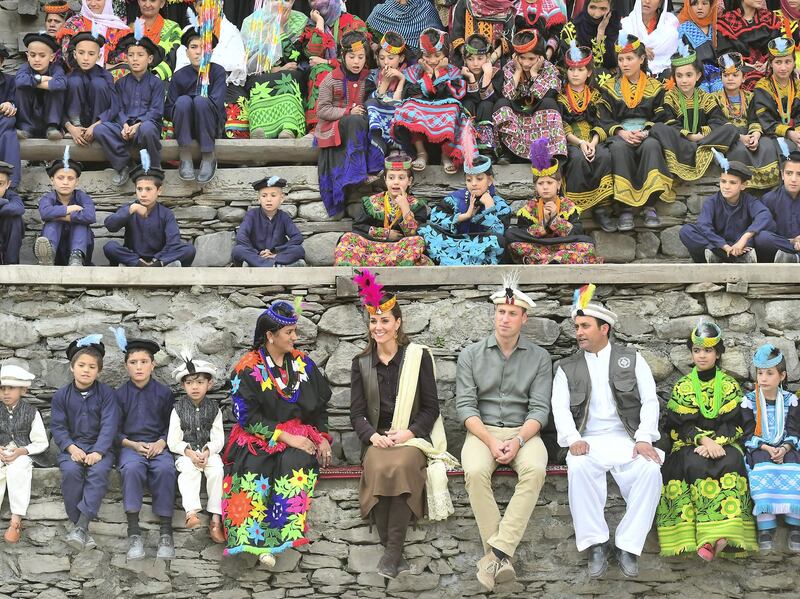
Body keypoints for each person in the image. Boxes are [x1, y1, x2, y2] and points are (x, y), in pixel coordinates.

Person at [551, 285, 663, 578]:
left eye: (585, 326)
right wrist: (573, 439)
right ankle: (596, 544)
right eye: (577, 326)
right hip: (587, 440)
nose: (579, 332)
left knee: (651, 471)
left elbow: (650, 400)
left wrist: (643, 438)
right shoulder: (567, 367)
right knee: (578, 466)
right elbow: (560, 408)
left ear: (605, 328)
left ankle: (627, 545)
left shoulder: (632, 358)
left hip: (627, 439)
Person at [350, 270, 455, 579]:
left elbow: (431, 408)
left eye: (385, 321)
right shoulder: (361, 364)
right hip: (379, 440)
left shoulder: (417, 357)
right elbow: (356, 415)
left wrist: (408, 433)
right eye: (373, 321)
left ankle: (391, 553)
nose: (378, 327)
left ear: (397, 323)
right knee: (380, 467)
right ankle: (394, 554)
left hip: (412, 439)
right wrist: (372, 437)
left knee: (404, 465)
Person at [456, 273, 551, 592]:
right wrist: (492, 441)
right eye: (501, 312)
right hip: (483, 433)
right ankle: (501, 559)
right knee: (474, 470)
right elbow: (466, 408)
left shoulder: (540, 357)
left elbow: (539, 409)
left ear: (524, 318)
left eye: (512, 313)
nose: (505, 318)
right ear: (494, 315)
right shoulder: (471, 355)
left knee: (536, 469)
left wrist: (519, 439)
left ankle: (493, 556)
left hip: (524, 433)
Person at [223, 301, 332, 568]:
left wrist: (322, 438)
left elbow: (319, 407)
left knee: (297, 463)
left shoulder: (303, 363)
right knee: (253, 464)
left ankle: (283, 536)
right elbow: (246, 418)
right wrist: (284, 436)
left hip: (300, 432)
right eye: (290, 333)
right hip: (259, 434)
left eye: (295, 331)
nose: (295, 338)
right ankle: (255, 541)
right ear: (270, 336)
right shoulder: (247, 368)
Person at [657, 321, 758, 560]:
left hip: (725, 443)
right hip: (691, 445)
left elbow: (738, 424)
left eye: (708, 350)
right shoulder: (682, 387)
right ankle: (706, 539)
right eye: (697, 350)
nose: (702, 355)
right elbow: (675, 427)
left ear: (718, 353)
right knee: (692, 464)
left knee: (733, 460)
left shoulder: (730, 385)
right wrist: (703, 442)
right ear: (692, 353)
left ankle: (725, 538)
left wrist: (718, 443)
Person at [597, 32, 673, 230]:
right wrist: (621, 132)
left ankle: (650, 206)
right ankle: (625, 208)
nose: (624, 63)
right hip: (620, 134)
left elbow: (661, 116)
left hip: (647, 132)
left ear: (641, 59)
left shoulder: (656, 87)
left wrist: (647, 131)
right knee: (619, 149)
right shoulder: (609, 87)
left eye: (629, 58)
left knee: (652, 146)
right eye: (621, 59)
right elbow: (604, 118)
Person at [50, 335, 119, 551]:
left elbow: (110, 425)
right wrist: (71, 447)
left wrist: (99, 451)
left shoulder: (107, 394)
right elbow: (58, 427)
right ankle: (80, 527)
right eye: (81, 365)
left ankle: (80, 526)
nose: (86, 370)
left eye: (92, 366)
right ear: (72, 368)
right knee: (71, 472)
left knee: (98, 474)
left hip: (101, 448)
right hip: (72, 448)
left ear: (98, 371)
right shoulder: (61, 396)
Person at [113, 330, 177, 561]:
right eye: (133, 362)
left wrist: (162, 441)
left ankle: (166, 532)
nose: (138, 367)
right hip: (131, 448)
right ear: (126, 366)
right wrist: (131, 444)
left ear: (153, 365)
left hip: (159, 446)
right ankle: (134, 533)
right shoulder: (118, 395)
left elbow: (173, 425)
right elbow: (113, 429)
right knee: (131, 470)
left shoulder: (164, 393)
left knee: (165, 470)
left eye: (144, 362)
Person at [316, 30, 384, 217]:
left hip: (360, 127)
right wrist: (347, 111)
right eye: (352, 56)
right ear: (342, 56)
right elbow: (322, 110)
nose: (356, 61)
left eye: (361, 57)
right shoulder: (331, 80)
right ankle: (355, 179)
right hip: (335, 128)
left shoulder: (369, 78)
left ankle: (367, 174)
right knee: (355, 120)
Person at [649, 43, 740, 182]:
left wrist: (701, 135)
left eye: (689, 75)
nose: (684, 80)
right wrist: (690, 136)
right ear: (674, 77)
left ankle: (700, 146)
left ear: (698, 76)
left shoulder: (705, 97)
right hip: (681, 142)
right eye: (679, 76)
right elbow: (669, 122)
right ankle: (703, 148)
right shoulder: (669, 96)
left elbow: (718, 121)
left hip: (701, 139)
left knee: (731, 129)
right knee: (658, 128)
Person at [740, 344, 800, 552]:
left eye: (769, 373)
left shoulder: (790, 400)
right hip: (760, 447)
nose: (763, 378)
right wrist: (766, 447)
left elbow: (794, 430)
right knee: (761, 465)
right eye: (760, 373)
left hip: (786, 446)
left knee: (794, 464)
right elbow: (747, 434)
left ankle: (795, 525)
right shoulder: (748, 402)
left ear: (782, 376)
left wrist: (784, 448)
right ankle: (766, 526)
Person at [506, 138, 601, 264]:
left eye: (550, 182)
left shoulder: (568, 206)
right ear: (535, 186)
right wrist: (544, 222)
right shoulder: (529, 208)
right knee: (510, 234)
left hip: (563, 245)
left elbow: (577, 232)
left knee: (587, 243)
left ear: (559, 184)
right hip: (537, 245)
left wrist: (555, 219)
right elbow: (522, 233)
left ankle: (541, 259)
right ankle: (558, 259)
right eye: (541, 183)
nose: (545, 187)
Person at [93, 23, 165, 185]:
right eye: (131, 55)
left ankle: (154, 167)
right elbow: (117, 109)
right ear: (126, 58)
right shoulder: (121, 83)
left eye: (140, 55)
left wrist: (138, 125)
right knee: (100, 129)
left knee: (148, 129)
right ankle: (124, 164)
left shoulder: (156, 83)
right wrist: (125, 124)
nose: (135, 59)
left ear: (150, 59)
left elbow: (156, 111)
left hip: (146, 127)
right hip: (124, 128)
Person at [393, 28, 473, 173]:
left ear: (445, 55)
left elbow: (455, 94)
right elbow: (411, 92)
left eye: (437, 55)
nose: (433, 60)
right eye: (427, 56)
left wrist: (439, 74)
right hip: (423, 112)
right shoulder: (414, 71)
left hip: (444, 109)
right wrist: (429, 74)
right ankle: (421, 153)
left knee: (452, 109)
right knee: (410, 107)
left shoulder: (454, 72)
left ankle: (445, 155)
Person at [167, 351, 225, 544]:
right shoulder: (178, 409)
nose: (194, 387)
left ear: (209, 384)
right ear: (183, 385)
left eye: (200, 382)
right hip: (186, 452)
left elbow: (218, 438)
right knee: (188, 470)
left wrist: (208, 451)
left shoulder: (214, 408)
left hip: (208, 452)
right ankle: (191, 512)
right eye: (190, 383)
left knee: (216, 470)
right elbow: (173, 440)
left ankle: (216, 519)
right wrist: (190, 453)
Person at [333, 155, 433, 266]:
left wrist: (405, 209)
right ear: (385, 180)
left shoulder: (417, 205)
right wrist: (385, 234)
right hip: (372, 248)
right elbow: (358, 227)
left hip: (400, 249)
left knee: (418, 241)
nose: (396, 182)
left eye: (401, 178)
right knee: (348, 238)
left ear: (409, 181)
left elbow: (413, 234)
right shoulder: (371, 202)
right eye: (391, 177)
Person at [680, 149, 774, 263]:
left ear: (743, 185)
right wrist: (724, 246)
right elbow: (704, 227)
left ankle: (731, 257)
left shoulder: (750, 201)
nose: (726, 186)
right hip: (718, 247)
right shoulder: (711, 202)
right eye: (723, 181)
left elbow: (764, 215)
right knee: (686, 231)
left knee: (763, 235)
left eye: (732, 182)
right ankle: (722, 255)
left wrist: (744, 239)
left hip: (742, 247)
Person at [492, 29, 567, 165]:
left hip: (537, 111)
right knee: (501, 103)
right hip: (517, 111)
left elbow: (546, 95)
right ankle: (507, 153)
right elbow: (507, 95)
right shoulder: (510, 67)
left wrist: (534, 73)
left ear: (540, 57)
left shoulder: (549, 68)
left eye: (531, 58)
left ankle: (546, 154)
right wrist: (518, 72)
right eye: (522, 58)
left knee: (550, 103)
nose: (526, 63)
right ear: (516, 57)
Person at [557, 42, 614, 220]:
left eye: (580, 69)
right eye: (572, 69)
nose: (575, 74)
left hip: (593, 139)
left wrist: (592, 143)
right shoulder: (560, 96)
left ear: (589, 72)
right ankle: (574, 208)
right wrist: (580, 143)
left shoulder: (596, 94)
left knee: (604, 155)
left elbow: (602, 121)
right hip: (571, 140)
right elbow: (560, 124)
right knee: (577, 158)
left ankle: (602, 208)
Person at [419, 155, 510, 265]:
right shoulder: (456, 199)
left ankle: (451, 262)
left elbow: (499, 233)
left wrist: (489, 207)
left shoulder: (500, 205)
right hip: (453, 243)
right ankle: (462, 261)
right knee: (423, 229)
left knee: (499, 241)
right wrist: (464, 216)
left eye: (479, 179)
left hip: (479, 246)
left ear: (489, 180)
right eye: (469, 180)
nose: (474, 184)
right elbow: (434, 218)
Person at [103, 159, 196, 267]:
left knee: (189, 249)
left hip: (159, 258)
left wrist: (157, 259)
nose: (143, 194)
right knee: (110, 247)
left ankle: (157, 265)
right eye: (139, 189)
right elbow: (110, 226)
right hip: (134, 258)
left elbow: (173, 242)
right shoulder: (130, 208)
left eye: (148, 189)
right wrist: (131, 209)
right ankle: (141, 264)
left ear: (159, 190)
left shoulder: (166, 214)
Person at [165, 22, 226, 184]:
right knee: (183, 101)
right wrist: (185, 105)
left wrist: (197, 101)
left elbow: (217, 103)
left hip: (210, 126)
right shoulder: (178, 76)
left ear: (211, 51)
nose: (199, 52)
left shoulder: (218, 72)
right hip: (186, 128)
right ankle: (185, 156)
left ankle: (208, 156)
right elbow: (169, 109)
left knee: (201, 101)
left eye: (203, 47)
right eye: (193, 47)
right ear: (186, 52)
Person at [241, 0, 308, 140]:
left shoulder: (300, 20)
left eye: (288, 0)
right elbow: (247, 61)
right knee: (259, 81)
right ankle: (260, 130)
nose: (282, 3)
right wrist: (273, 69)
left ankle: (289, 128)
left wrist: (281, 28)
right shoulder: (250, 22)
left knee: (289, 77)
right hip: (261, 73)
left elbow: (295, 58)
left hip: (291, 72)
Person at [300, 0, 370, 130]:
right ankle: (317, 127)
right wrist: (320, 23)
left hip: (352, 72)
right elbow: (312, 53)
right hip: (319, 73)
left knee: (322, 70)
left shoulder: (352, 22)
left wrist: (328, 62)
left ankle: (319, 127)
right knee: (320, 70)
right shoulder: (311, 26)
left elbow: (359, 55)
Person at [0, 364, 48, 544]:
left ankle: (16, 520)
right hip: (2, 452)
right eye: (2, 388)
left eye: (10, 388)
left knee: (18, 471)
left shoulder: (31, 412)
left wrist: (22, 451)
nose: (5, 393)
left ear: (23, 389)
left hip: (23, 453)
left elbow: (41, 442)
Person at [716, 52, 778, 190]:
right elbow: (718, 123)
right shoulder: (714, 99)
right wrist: (739, 137)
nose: (730, 79)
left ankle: (769, 187)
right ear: (721, 78)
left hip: (750, 133)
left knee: (767, 145)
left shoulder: (751, 97)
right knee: (739, 150)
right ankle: (743, 186)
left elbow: (755, 119)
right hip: (730, 137)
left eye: (735, 75)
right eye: (725, 75)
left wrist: (755, 135)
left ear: (743, 78)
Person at [35, 150, 96, 267]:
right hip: (57, 252)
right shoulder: (47, 198)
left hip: (82, 249)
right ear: (52, 180)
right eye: (60, 178)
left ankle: (76, 257)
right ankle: (48, 255)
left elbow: (90, 216)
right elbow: (45, 213)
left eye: (70, 178)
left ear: (77, 182)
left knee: (80, 223)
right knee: (53, 223)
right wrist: (70, 209)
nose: (65, 182)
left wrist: (59, 215)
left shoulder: (83, 197)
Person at [751, 37, 800, 180]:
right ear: (770, 64)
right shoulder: (763, 87)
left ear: (794, 62)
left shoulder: (797, 85)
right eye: (778, 62)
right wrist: (789, 133)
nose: (783, 67)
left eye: (788, 62)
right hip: (772, 133)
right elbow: (765, 119)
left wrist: (797, 132)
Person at [232, 175, 306, 267]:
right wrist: (258, 253)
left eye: (273, 195)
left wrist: (276, 251)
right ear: (259, 199)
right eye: (264, 196)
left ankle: (263, 263)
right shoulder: (252, 215)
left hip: (275, 254)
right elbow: (241, 236)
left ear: (281, 198)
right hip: (256, 254)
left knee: (299, 250)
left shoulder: (284, 217)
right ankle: (274, 264)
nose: (269, 199)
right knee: (238, 250)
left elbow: (297, 237)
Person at [64, 30, 119, 150]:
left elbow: (115, 106)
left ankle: (96, 129)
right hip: (74, 128)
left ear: (99, 56)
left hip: (98, 125)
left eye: (91, 54)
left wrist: (96, 126)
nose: (85, 58)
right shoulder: (68, 78)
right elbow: (58, 106)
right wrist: (71, 128)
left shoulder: (106, 76)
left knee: (98, 83)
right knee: (74, 82)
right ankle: (76, 124)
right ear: (74, 54)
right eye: (81, 53)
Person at [717, 0, 782, 91]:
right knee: (753, 81)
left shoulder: (769, 17)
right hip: (740, 69)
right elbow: (725, 54)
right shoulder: (726, 21)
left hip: (770, 65)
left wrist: (768, 63)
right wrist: (748, 66)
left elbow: (778, 46)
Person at [15, 33, 66, 142]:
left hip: (48, 113)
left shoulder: (57, 69)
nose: (37, 59)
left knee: (57, 90)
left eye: (42, 56)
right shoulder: (24, 68)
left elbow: (61, 83)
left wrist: (32, 82)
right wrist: (41, 79)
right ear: (27, 56)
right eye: (33, 55)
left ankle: (52, 127)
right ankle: (25, 128)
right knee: (22, 88)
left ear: (51, 57)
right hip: (30, 115)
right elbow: (19, 81)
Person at [364, 31, 408, 157]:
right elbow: (368, 102)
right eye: (382, 58)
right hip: (380, 125)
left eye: (391, 58)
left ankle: (400, 146)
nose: (386, 63)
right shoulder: (372, 75)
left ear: (401, 58)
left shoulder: (411, 75)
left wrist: (401, 81)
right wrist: (384, 82)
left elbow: (402, 102)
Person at [57, 0, 131, 72]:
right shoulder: (74, 23)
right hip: (79, 74)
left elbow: (123, 56)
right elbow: (67, 55)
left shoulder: (118, 27)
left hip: (109, 74)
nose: (93, 3)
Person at [459, 34, 502, 156]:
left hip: (488, 113)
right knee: (467, 103)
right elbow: (470, 98)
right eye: (470, 59)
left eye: (480, 58)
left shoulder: (497, 74)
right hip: (472, 110)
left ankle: (486, 148)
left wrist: (487, 76)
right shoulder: (462, 76)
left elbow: (493, 99)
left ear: (488, 57)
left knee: (486, 104)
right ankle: (467, 145)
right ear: (464, 60)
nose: (475, 64)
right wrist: (471, 79)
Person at [560, 0, 622, 84]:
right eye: (592, 7)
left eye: (603, 9)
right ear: (586, 6)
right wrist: (599, 37)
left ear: (610, 9)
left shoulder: (614, 27)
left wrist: (601, 31)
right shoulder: (571, 31)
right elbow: (578, 68)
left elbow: (615, 62)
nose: (597, 14)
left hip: (610, 82)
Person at [755, 150, 800, 262]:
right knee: (762, 237)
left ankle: (793, 257)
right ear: (782, 175)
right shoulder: (770, 199)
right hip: (780, 248)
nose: (793, 179)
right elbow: (763, 230)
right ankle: (793, 255)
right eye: (789, 173)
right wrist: (791, 242)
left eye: (799, 174)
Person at [619, 0, 679, 77]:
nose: (647, 1)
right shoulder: (626, 24)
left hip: (666, 76)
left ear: (661, 2)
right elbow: (620, 49)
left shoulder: (670, 22)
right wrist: (639, 49)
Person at [449, 0, 514, 66]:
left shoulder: (506, 7)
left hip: (496, 62)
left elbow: (508, 40)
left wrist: (490, 60)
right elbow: (457, 35)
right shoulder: (465, 3)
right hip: (467, 62)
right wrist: (469, 58)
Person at [130, 0, 182, 81]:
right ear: (138, 2)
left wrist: (155, 76)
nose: (147, 4)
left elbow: (173, 56)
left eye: (153, 0)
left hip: (162, 81)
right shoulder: (130, 29)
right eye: (143, 0)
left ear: (162, 3)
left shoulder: (173, 28)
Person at [677, 0, 722, 93]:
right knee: (701, 92)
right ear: (688, 6)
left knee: (720, 89)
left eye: (704, 3)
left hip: (718, 73)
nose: (700, 7)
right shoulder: (684, 29)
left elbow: (725, 53)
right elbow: (682, 56)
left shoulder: (717, 26)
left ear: (711, 5)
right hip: (695, 73)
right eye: (695, 4)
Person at [367, 0, 444, 54]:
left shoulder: (426, 8)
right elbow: (368, 37)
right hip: (392, 63)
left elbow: (439, 39)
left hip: (426, 61)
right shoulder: (381, 12)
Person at [0, 45, 20, 191]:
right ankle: (11, 185)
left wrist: (10, 104)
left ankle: (10, 185)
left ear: (1, 62)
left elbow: (16, 102)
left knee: (9, 123)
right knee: (8, 133)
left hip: (3, 123)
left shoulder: (10, 81)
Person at [0, 162, 23, 265]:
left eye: (0, 184)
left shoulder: (11, 196)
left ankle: (11, 263)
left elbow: (18, 208)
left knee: (15, 219)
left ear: (8, 184)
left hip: (5, 240)